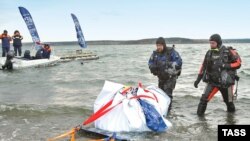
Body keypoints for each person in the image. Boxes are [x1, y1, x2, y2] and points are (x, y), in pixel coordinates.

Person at [194, 34, 241, 116]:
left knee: (229, 102)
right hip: (212, 82)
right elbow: (203, 66)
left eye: (213, 43)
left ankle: (231, 120)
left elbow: (238, 63)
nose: (211, 45)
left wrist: (225, 65)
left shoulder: (229, 51)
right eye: (210, 43)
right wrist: (198, 79)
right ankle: (199, 121)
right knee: (203, 100)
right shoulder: (209, 53)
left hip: (227, 83)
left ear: (218, 43)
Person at [148, 37, 182, 112]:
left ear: (164, 45)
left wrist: (167, 64)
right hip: (161, 77)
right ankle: (162, 110)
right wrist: (152, 67)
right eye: (157, 45)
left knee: (167, 95)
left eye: (160, 45)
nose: (158, 47)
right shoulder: (155, 53)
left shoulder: (171, 52)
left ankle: (168, 112)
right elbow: (150, 62)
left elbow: (179, 62)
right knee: (160, 94)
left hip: (170, 77)